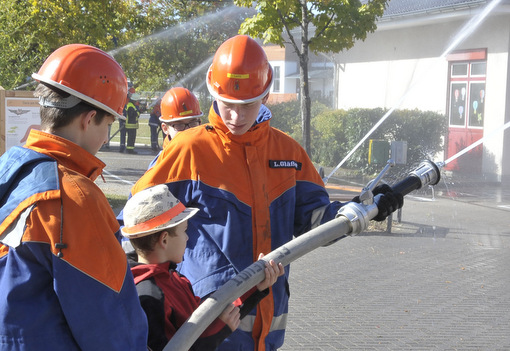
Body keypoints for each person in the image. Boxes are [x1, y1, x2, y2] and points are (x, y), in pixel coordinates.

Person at [130, 35, 403, 350]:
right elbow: (138, 224)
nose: (236, 117)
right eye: (228, 105)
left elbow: (317, 221)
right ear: (212, 92)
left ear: (266, 93)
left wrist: (365, 208)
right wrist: (154, 291)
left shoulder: (288, 153)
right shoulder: (189, 150)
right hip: (207, 327)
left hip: (268, 323)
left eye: (247, 105)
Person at [0, 44, 148, 350]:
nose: (106, 138)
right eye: (107, 124)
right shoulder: (74, 198)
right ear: (88, 118)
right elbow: (111, 325)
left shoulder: (10, 169)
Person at [121, 184, 284, 351]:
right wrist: (219, 331)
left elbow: (207, 316)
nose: (187, 238)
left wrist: (255, 286)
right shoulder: (149, 297)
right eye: (184, 231)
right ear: (164, 240)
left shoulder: (173, 279)